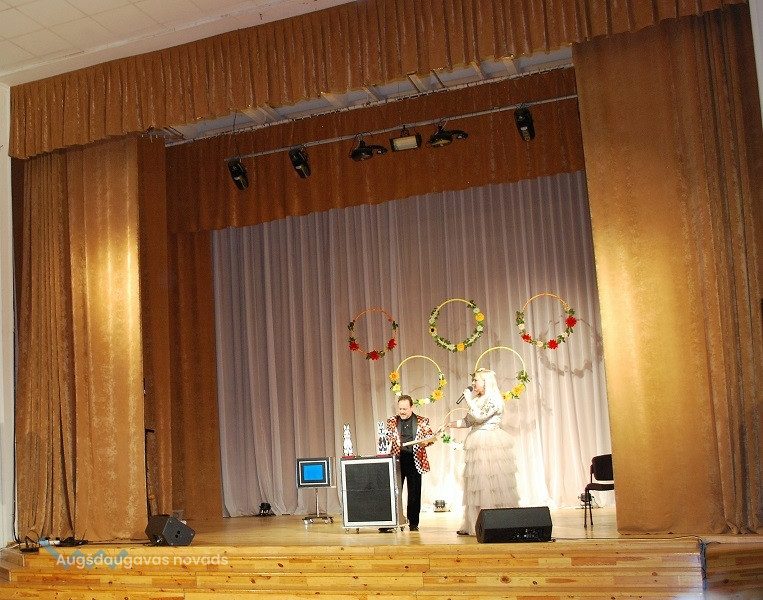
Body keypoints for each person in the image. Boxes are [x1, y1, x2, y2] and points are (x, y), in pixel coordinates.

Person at [449, 368, 519, 535]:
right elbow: (469, 421)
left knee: (491, 483)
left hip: (489, 442)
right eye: (473, 380)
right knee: (477, 485)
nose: (473, 383)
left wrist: (468, 399)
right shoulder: (477, 400)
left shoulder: (494, 399)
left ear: (486, 382)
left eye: (476, 380)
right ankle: (476, 523)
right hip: (476, 442)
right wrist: (450, 425)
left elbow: (480, 416)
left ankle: (496, 523)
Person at [382, 394, 434, 532]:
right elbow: (387, 437)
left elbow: (430, 437)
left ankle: (413, 523)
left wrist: (426, 442)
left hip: (414, 459)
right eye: (400, 409)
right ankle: (392, 521)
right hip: (397, 459)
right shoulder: (392, 421)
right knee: (394, 491)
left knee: (414, 492)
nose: (402, 411)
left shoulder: (422, 421)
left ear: (411, 407)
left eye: (405, 409)